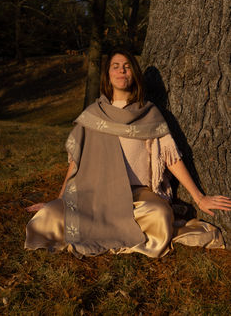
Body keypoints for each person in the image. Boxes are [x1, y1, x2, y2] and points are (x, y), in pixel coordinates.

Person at [25, 49, 231, 258]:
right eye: (116, 66)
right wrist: (60, 198)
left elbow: (170, 158)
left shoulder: (149, 114)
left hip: (137, 194)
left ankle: (110, 231)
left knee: (160, 214)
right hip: (96, 193)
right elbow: (76, 162)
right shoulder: (93, 115)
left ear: (134, 74)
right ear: (108, 75)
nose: (121, 71)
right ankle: (112, 229)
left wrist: (199, 197)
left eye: (127, 66)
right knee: (50, 215)